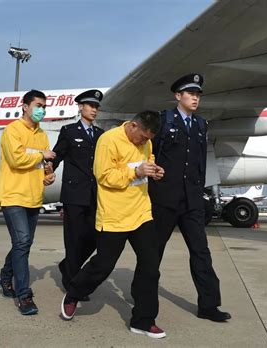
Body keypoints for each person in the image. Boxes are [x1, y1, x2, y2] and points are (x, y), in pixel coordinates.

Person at [61, 111, 167, 339]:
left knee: (151, 266)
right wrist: (135, 171)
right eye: (142, 137)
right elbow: (104, 176)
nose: (144, 142)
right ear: (133, 125)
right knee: (103, 264)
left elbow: (148, 162)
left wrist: (154, 170)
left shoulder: (146, 142)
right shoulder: (108, 140)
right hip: (114, 214)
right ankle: (74, 292)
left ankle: (144, 320)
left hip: (140, 212)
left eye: (149, 139)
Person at [149, 73, 231, 322]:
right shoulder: (163, 120)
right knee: (153, 253)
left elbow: (199, 164)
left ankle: (208, 305)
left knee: (201, 252)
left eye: (198, 94)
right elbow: (149, 153)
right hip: (164, 198)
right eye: (191, 94)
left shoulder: (201, 124)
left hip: (192, 200)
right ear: (178, 96)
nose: (195, 98)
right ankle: (144, 298)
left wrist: (199, 191)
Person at [0, 89, 56, 315]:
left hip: (33, 196)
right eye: (38, 105)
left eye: (44, 106)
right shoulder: (12, 130)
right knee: (22, 241)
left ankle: (4, 276)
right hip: (13, 195)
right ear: (25, 106)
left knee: (24, 243)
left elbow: (42, 164)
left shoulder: (42, 135)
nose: (42, 110)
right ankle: (24, 295)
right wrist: (43, 156)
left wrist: (48, 174)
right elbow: (16, 159)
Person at [51, 89, 104, 299]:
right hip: (74, 194)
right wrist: (48, 171)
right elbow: (57, 155)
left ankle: (67, 265)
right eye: (91, 105)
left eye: (97, 106)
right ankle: (73, 284)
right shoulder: (69, 131)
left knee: (94, 238)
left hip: (95, 195)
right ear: (80, 107)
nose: (94, 110)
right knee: (73, 239)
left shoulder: (100, 134)